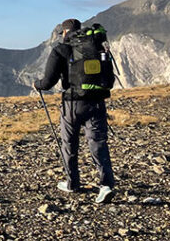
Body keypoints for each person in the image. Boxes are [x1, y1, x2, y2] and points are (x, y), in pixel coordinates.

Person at [33, 18, 116, 204]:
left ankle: (73, 183)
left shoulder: (61, 49)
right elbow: (109, 79)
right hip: (97, 102)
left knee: (69, 144)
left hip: (72, 105)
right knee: (98, 143)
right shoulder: (96, 46)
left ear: (64, 32)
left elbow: (48, 82)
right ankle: (106, 185)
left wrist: (37, 84)